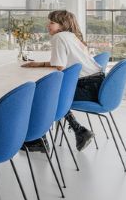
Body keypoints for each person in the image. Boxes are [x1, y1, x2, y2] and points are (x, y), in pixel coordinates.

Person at [22, 9, 100, 151]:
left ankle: (39, 140)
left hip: (87, 87)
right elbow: (61, 64)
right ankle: (79, 131)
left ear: (62, 25)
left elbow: (59, 67)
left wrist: (41, 65)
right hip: (96, 84)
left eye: (52, 23)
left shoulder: (59, 37)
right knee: (52, 95)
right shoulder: (71, 36)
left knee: (44, 97)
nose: (48, 25)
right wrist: (39, 64)